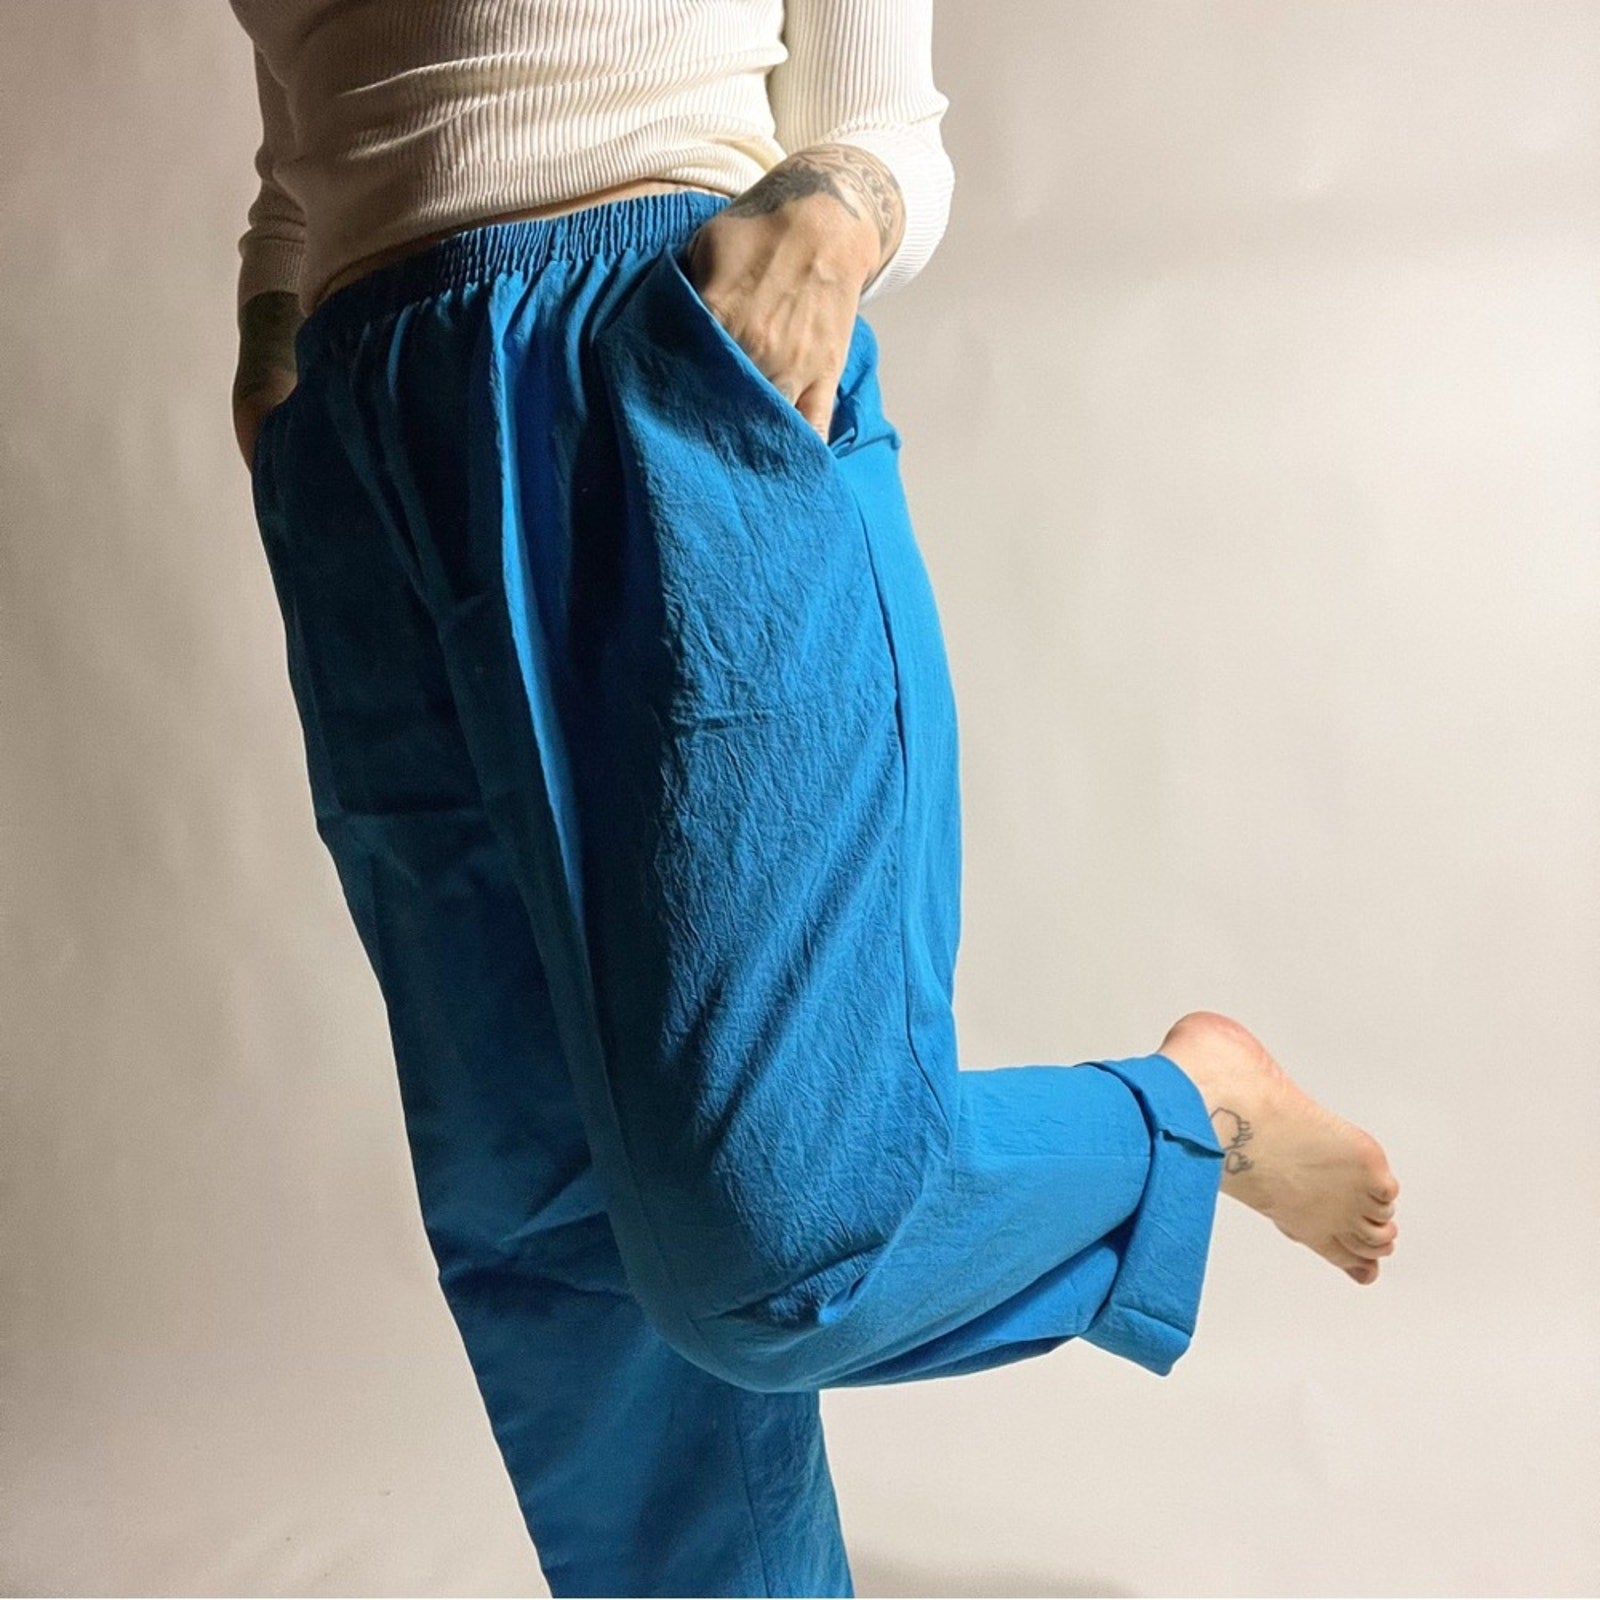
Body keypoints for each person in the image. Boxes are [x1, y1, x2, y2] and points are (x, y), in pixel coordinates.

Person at [228, 3, 1402, 1594]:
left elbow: (878, 100)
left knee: (783, 1240)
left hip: (651, 340)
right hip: (364, 431)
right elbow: (308, 99)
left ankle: (1189, 1121)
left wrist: (841, 211)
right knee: (539, 1214)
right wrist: (277, 332)